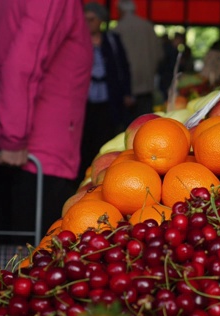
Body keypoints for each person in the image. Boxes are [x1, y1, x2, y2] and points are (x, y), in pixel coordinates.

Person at [0, 0, 92, 244]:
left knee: (10, 263)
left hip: (18, 144)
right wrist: (14, 137)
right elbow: (24, 64)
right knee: (31, 263)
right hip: (36, 154)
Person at [78, 2, 132, 182]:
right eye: (85, 20)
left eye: (92, 19)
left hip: (109, 101)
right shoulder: (77, 40)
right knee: (84, 142)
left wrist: (126, 93)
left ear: (101, 20)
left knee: (105, 139)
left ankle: (104, 175)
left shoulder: (112, 41)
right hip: (83, 103)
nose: (88, 23)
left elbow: (123, 67)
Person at [113, 0, 163, 120]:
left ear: (120, 11)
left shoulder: (117, 29)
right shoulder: (148, 27)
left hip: (125, 89)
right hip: (146, 85)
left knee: (126, 128)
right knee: (145, 123)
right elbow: (160, 55)